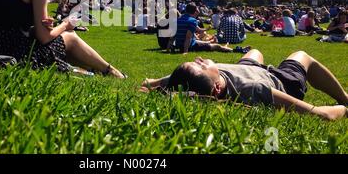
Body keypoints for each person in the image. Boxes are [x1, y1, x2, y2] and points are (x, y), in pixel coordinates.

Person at [141, 49, 348, 121]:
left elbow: (162, 82)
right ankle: (345, 97)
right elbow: (323, 115)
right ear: (217, 89)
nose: (199, 59)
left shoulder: (187, 81)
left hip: (246, 68)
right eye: (202, 65)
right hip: (278, 80)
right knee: (302, 56)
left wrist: (153, 85)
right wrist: (343, 109)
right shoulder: (253, 90)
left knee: (254, 52)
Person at [173, 3, 243, 54]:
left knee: (206, 42)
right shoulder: (192, 21)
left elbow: (172, 36)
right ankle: (234, 50)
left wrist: (168, 48)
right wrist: (185, 51)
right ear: (194, 11)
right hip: (189, 46)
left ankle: (224, 46)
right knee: (217, 46)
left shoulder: (179, 19)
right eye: (197, 9)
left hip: (180, 45)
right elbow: (188, 37)